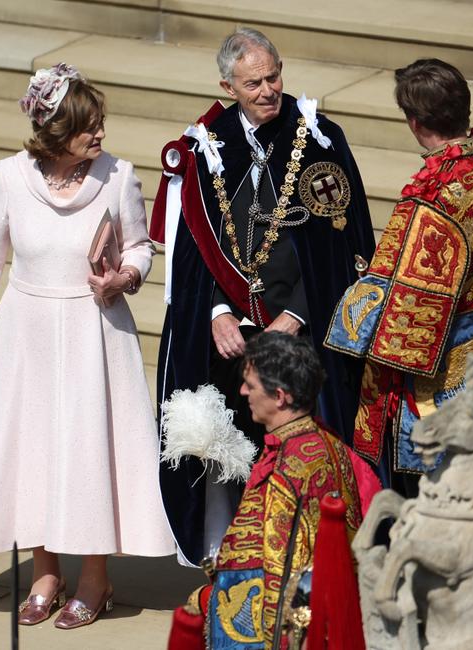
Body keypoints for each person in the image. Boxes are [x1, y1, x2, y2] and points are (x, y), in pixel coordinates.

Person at [0, 63, 173, 629]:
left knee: (88, 451)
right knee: (34, 449)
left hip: (96, 333)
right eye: (87, 126)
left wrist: (125, 277)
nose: (100, 135)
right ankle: (46, 570)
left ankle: (95, 577)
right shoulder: (8, 177)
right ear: (53, 131)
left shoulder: (117, 176)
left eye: (101, 123)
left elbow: (141, 247)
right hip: (29, 333)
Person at [151, 27, 375, 565]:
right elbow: (193, 249)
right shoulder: (208, 144)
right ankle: (236, 559)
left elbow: (340, 244)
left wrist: (297, 314)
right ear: (228, 85)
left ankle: (310, 560)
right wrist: (216, 312)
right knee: (230, 458)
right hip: (230, 337)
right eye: (254, 83)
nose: (269, 90)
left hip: (301, 329)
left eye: (274, 76)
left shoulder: (318, 137)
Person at [325, 58, 473, 493]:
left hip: (437, 373)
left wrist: (340, 320)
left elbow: (400, 309)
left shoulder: (433, 195)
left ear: (415, 122)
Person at [165, 332, 379, 649]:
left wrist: (208, 599)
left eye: (250, 385)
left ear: (279, 396)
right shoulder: (328, 444)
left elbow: (280, 570)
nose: (242, 391)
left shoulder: (286, 470)